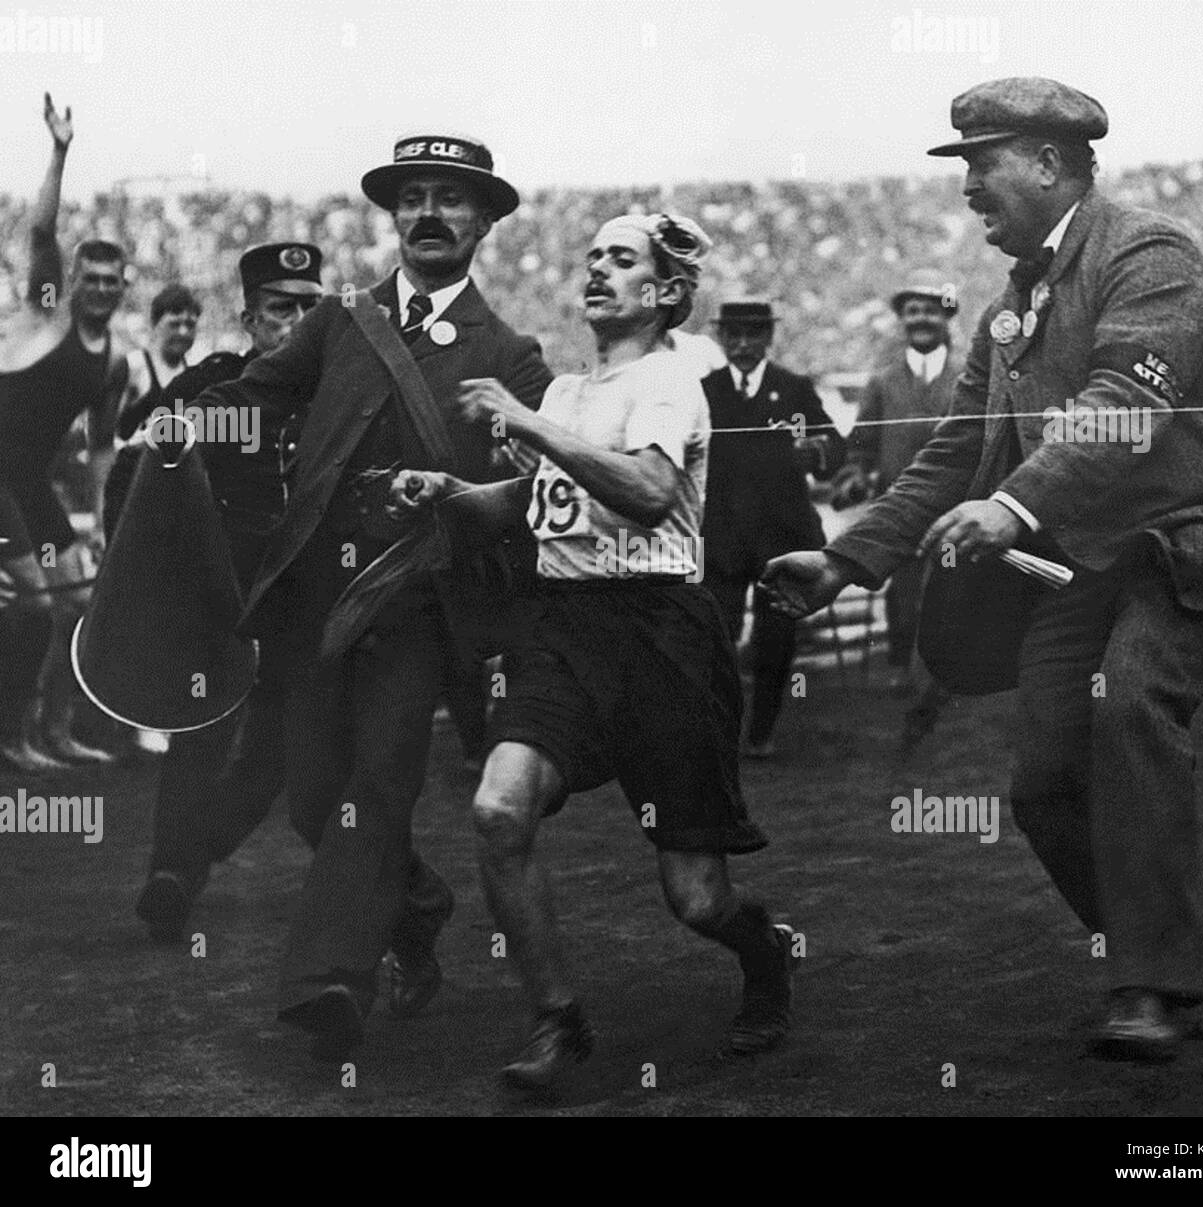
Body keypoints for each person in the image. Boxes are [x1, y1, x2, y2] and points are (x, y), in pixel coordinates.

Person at [763, 77, 1203, 1062]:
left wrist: (1009, 506)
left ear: (1050, 163)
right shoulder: (1006, 312)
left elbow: (1117, 410)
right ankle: (1153, 953)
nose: (966, 186)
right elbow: (947, 452)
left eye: (981, 161)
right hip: (1092, 556)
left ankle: (1151, 980)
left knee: (1128, 702)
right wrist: (844, 560)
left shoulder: (1151, 254)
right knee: (1042, 781)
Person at [390, 211, 796, 1090]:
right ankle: (556, 1019)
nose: (597, 272)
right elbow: (536, 503)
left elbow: (649, 491)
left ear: (665, 291)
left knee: (695, 897)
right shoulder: (569, 394)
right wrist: (449, 492)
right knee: (499, 811)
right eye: (592, 258)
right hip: (564, 630)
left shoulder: (669, 381)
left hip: (663, 636)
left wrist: (525, 427)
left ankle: (765, 955)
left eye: (621, 259)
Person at [191, 133, 552, 1059]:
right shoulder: (342, 321)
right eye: (414, 196)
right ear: (394, 216)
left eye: (452, 199)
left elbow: (534, 488)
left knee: (378, 784)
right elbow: (259, 396)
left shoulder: (510, 355)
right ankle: (420, 905)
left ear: (486, 222)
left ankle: (328, 983)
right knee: (313, 801)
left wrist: (464, 489)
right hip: (317, 600)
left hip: (418, 605)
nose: (430, 212)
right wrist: (182, 421)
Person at [119, 244, 324, 943]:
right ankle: (171, 875)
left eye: (309, 307)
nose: (296, 322)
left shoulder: (342, 389)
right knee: (198, 731)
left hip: (307, 594)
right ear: (249, 317)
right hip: (224, 589)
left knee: (272, 757)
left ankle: (198, 851)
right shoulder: (219, 381)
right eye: (279, 309)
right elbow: (138, 447)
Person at [0, 94, 126, 772]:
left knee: (75, 600)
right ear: (74, 282)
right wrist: (59, 150)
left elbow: (103, 450)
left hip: (31, 484)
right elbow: (42, 235)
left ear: (124, 286)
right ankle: (12, 734)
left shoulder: (114, 360)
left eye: (112, 279)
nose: (100, 287)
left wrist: (102, 521)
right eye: (91, 277)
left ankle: (56, 728)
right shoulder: (46, 314)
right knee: (32, 603)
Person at [701, 300, 845, 757]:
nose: (743, 345)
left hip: (780, 535)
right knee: (716, 636)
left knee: (775, 641)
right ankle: (720, 729)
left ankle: (761, 733)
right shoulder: (705, 390)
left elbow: (834, 445)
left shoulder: (793, 388)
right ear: (722, 338)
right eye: (733, 335)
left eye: (753, 334)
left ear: (768, 338)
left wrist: (819, 452)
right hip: (722, 536)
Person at [832, 272, 960, 697]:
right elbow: (861, 448)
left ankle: (950, 674)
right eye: (912, 311)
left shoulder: (969, 377)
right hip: (900, 505)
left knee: (953, 589)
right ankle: (900, 665)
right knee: (903, 596)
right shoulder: (883, 382)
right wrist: (855, 477)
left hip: (956, 506)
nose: (920, 319)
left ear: (947, 317)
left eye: (929, 310)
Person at [114, 283, 202, 443]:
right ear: (155, 324)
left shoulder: (194, 372)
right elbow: (104, 435)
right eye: (174, 324)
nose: (183, 332)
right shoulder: (134, 366)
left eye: (190, 325)